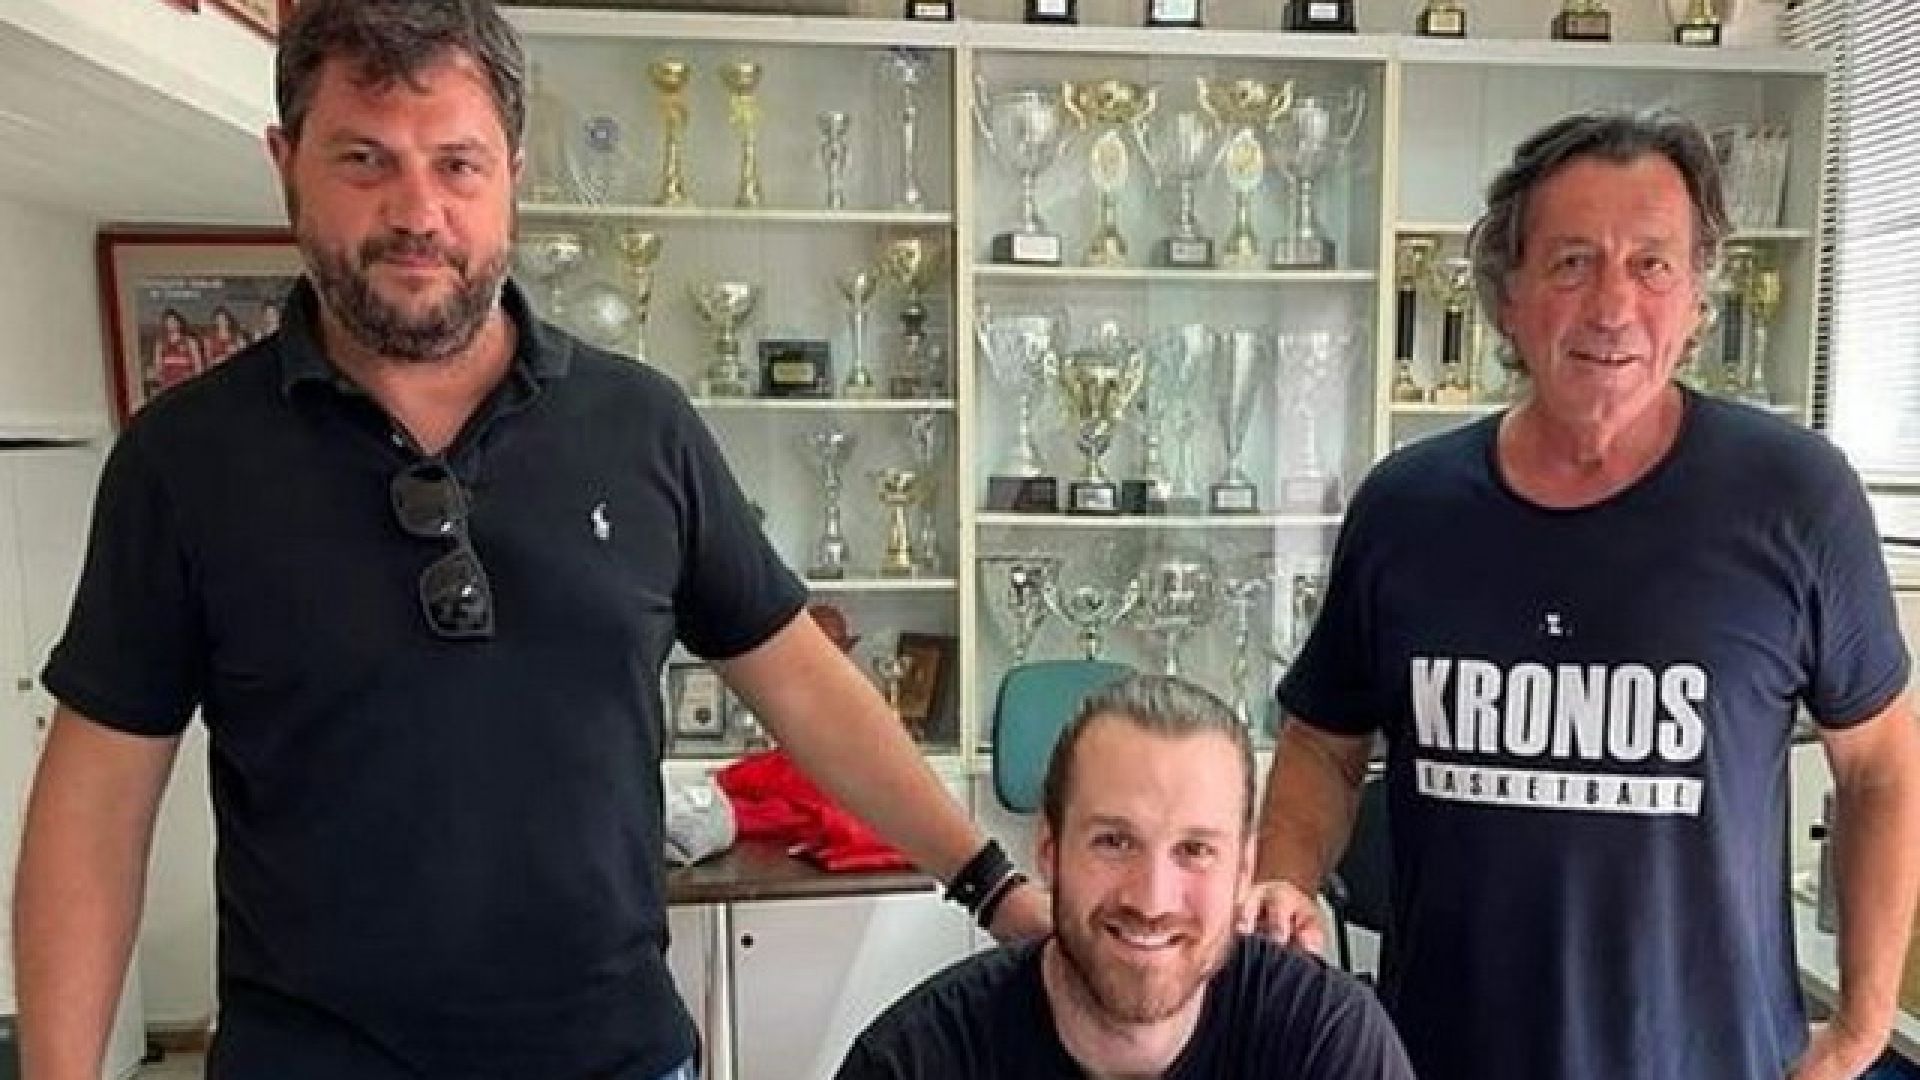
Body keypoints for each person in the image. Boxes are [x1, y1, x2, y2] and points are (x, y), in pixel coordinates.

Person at [11, 3, 1046, 1078]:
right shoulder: (184, 461)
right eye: (365, 159)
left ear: (513, 168)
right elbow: (95, 812)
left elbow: (805, 686)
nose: (418, 211)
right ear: (286, 165)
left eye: (457, 164)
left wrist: (995, 888)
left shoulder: (641, 427)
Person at [1245, 106, 1920, 1080]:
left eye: (1652, 265)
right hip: (1439, 1060)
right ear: (1507, 297)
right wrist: (1284, 879)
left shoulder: (1796, 497)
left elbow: (1883, 767)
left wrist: (1860, 1025)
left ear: (1697, 299)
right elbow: (1321, 745)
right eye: (1572, 263)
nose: (1613, 305)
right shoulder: (1406, 508)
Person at [840, 674, 1414, 1080]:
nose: (1152, 900)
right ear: (1049, 851)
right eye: (1114, 842)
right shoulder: (914, 1062)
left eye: (1195, 850)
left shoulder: (1326, 1044)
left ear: (1244, 870)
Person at [149, 306, 206, 393]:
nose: (171, 325)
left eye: (173, 322)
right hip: (168, 387)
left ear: (179, 323)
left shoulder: (190, 341)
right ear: (165, 325)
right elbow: (157, 367)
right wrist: (160, 381)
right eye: (168, 322)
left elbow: (199, 367)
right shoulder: (161, 344)